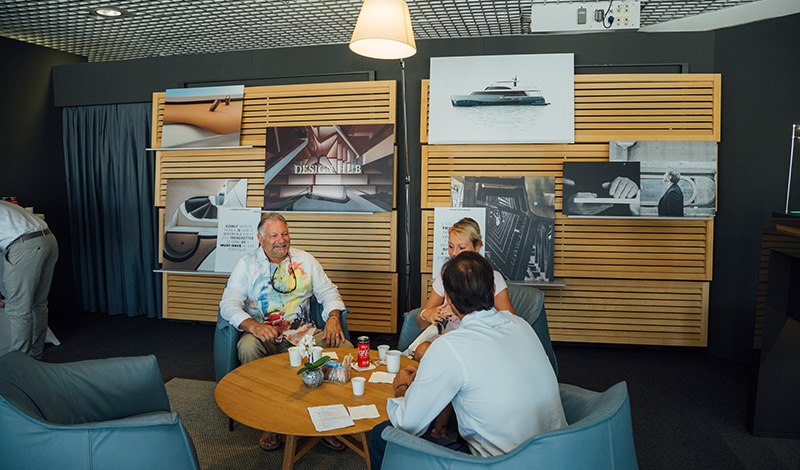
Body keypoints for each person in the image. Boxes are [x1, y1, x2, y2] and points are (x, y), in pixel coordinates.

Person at [369, 251, 566, 469]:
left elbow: (407, 424)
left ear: (449, 299)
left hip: (503, 463)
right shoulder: (520, 325)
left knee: (381, 435)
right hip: (559, 454)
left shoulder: (449, 346)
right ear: (492, 290)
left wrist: (402, 389)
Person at [219, 211, 351, 451]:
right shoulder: (246, 264)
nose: (281, 239)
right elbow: (228, 304)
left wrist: (333, 317)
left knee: (343, 349)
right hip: (264, 334)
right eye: (274, 235)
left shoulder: (306, 260)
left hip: (305, 335)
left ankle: (331, 421)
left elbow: (329, 292)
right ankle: (269, 423)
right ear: (260, 239)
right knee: (247, 347)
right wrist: (254, 326)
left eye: (285, 233)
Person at [406, 217, 514, 361]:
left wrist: (463, 311)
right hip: (451, 338)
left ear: (477, 247)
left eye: (461, 247)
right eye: (451, 246)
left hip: (482, 339)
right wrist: (429, 313)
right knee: (421, 351)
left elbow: (511, 323)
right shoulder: (444, 276)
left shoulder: (493, 277)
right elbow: (420, 323)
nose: (454, 253)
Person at [0, 200, 59, 360]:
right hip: (48, 240)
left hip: (25, 246)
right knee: (38, 304)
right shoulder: (5, 205)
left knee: (18, 310)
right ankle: (34, 358)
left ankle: (18, 366)